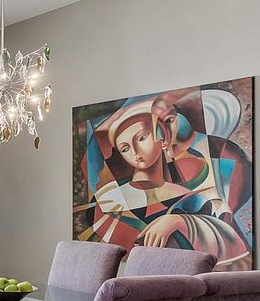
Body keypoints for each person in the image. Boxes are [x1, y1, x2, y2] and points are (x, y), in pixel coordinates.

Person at [86, 88, 250, 267]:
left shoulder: (191, 195)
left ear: (162, 138)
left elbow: (232, 240)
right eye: (125, 148)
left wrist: (178, 221)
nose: (135, 152)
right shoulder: (109, 199)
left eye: (142, 138)